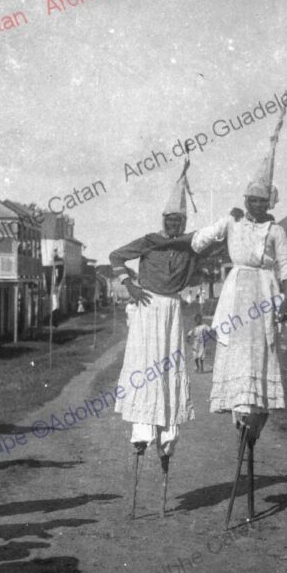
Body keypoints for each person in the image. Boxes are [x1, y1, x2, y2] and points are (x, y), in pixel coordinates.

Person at [188, 107, 287, 460]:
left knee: (261, 352)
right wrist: (224, 222)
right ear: (244, 199)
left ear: (269, 202)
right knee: (236, 352)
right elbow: (198, 242)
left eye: (262, 201)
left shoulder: (276, 230)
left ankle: (255, 425)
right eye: (251, 200)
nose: (256, 205)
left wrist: (285, 301)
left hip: (265, 293)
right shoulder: (233, 223)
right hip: (236, 293)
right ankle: (239, 416)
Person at [109, 159, 201, 518]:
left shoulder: (191, 246)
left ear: (185, 222)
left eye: (179, 220)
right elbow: (117, 256)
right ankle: (141, 435)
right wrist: (129, 284)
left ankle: (167, 440)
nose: (173, 224)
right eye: (169, 220)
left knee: (169, 369)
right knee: (145, 366)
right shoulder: (150, 241)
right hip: (147, 308)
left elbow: (216, 241)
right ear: (163, 220)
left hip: (172, 310)